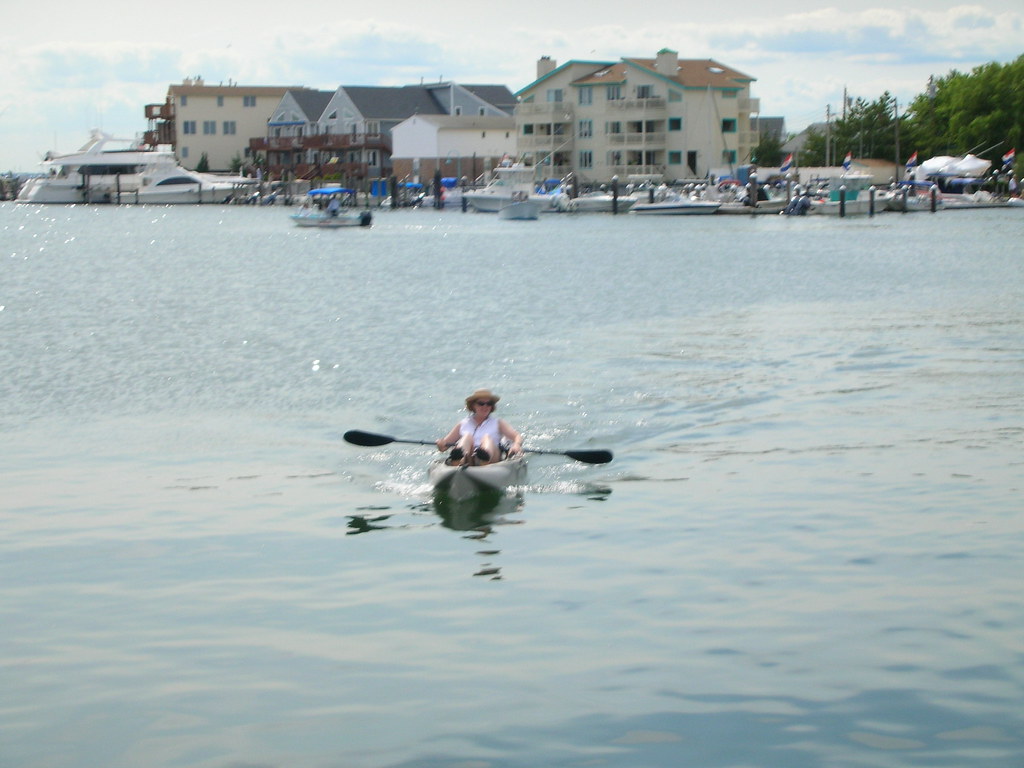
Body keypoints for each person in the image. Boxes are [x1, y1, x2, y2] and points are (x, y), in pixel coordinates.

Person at [436, 389, 522, 466]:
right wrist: (440, 444)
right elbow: (444, 446)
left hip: (492, 457)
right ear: (473, 405)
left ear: (492, 406)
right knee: (467, 437)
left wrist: (516, 445)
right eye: (481, 403)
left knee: (486, 438)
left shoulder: (498, 423)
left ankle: (482, 459)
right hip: (469, 456)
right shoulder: (463, 423)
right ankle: (458, 460)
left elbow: (516, 436)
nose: (485, 406)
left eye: (489, 404)